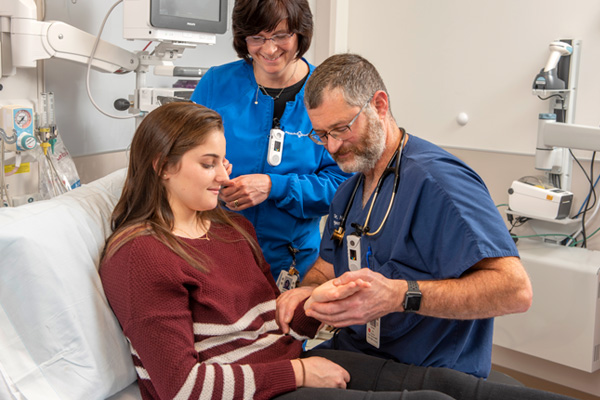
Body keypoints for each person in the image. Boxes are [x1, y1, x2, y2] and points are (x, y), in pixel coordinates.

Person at [99, 102, 576, 400]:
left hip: (289, 361)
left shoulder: (231, 229)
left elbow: (279, 323)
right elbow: (181, 388)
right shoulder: (140, 257)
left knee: (461, 389)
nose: (225, 176)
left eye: (223, 161)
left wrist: (316, 301)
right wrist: (300, 371)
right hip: (263, 386)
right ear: (162, 167)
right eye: (208, 163)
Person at [276, 53, 534, 379]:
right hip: (359, 353)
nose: (332, 146)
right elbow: (328, 265)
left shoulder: (438, 183)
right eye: (322, 134)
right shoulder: (348, 192)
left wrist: (399, 296)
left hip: (428, 369)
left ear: (380, 106)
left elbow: (515, 290)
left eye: (341, 128)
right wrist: (307, 289)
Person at [190, 0, 350, 282]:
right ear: (243, 38)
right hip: (216, 252)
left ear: (300, 33)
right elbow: (183, 157)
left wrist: (275, 186)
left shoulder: (327, 94)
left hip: (292, 261)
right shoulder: (216, 84)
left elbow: (343, 185)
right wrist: (212, 174)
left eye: (281, 36)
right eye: (257, 38)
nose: (269, 49)